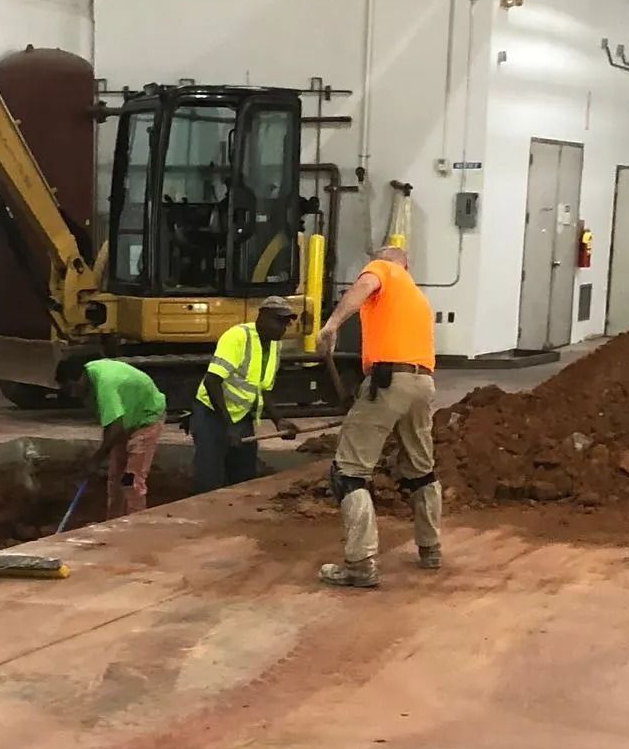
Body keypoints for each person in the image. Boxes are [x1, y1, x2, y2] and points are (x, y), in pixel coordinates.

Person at [312, 240, 440, 589]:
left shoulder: (384, 270)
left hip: (389, 381)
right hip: (422, 383)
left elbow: (365, 285)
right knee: (421, 470)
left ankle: (360, 563)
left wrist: (332, 325)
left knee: (349, 472)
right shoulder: (418, 298)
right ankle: (430, 549)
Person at [189, 297, 299, 496]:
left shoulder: (275, 345)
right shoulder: (238, 337)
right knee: (209, 476)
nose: (283, 328)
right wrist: (228, 425)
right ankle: (205, 520)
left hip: (241, 416)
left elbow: (263, 388)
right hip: (212, 413)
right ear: (262, 317)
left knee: (243, 476)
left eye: (286, 323)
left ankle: (233, 520)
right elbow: (212, 381)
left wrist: (278, 420)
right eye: (278, 321)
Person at [57, 351, 168, 514]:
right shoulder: (90, 378)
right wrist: (102, 453)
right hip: (126, 420)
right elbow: (110, 424)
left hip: (146, 418)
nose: (72, 395)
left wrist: (96, 459)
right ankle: (114, 524)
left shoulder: (105, 383)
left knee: (131, 479)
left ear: (78, 378)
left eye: (71, 388)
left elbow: (116, 426)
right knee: (115, 478)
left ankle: (135, 526)